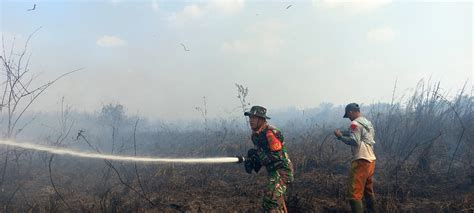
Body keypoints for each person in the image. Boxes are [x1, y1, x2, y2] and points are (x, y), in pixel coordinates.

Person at [243, 105, 294, 212]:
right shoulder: (255, 135)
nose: (250, 121)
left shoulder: (270, 133)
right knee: (272, 204)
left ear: (261, 120)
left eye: (254, 118)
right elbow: (262, 152)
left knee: (270, 202)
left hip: (282, 172)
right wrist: (252, 157)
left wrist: (259, 160)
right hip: (273, 171)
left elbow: (277, 156)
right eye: (250, 118)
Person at [334, 103, 377, 213]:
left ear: (351, 112)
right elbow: (358, 134)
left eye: (348, 115)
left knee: (354, 193)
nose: (348, 118)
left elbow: (354, 141)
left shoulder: (354, 124)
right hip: (371, 160)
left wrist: (340, 137)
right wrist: (344, 132)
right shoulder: (367, 123)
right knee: (368, 191)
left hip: (361, 160)